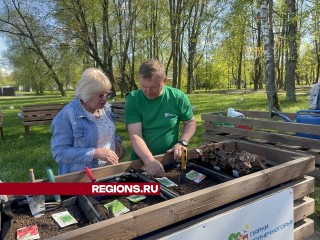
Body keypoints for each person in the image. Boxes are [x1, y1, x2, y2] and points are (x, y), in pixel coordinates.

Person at [125, 59, 196, 176]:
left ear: (164, 81)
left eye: (152, 87)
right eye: (143, 86)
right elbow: (135, 136)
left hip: (171, 159)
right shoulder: (133, 99)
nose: (147, 91)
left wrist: (182, 143)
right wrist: (150, 160)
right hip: (142, 162)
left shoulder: (178, 97)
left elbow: (190, 122)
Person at [51, 68, 125, 175]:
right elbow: (59, 153)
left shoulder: (106, 109)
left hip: (108, 173)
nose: (105, 99)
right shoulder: (67, 116)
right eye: (100, 95)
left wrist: (116, 141)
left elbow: (106, 130)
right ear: (86, 94)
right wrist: (94, 153)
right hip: (82, 178)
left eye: (107, 94)